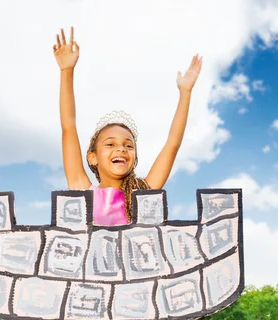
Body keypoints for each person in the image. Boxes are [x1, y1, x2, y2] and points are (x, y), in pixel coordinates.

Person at [53, 27, 202, 226]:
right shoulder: (83, 192)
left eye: (128, 145)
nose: (121, 148)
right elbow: (68, 127)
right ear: (93, 157)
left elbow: (172, 144)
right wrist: (66, 71)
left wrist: (185, 92)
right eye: (110, 144)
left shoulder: (142, 195)